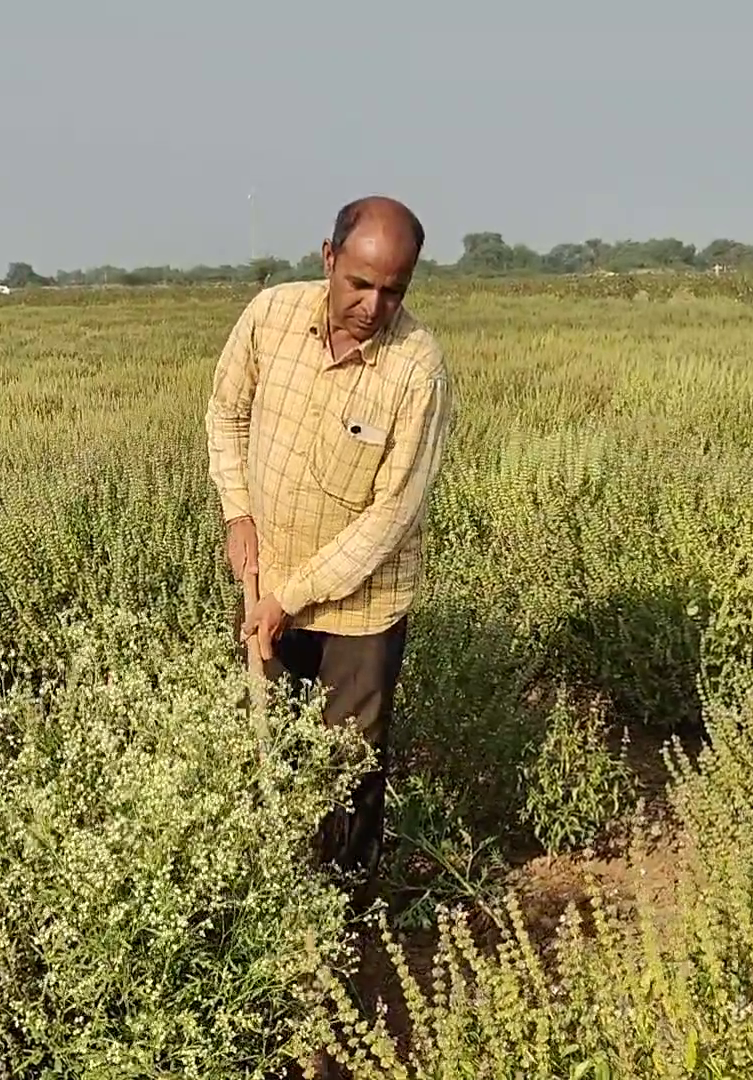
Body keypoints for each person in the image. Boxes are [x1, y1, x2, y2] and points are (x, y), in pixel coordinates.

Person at [203, 194, 453, 892]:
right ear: (328, 258)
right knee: (271, 741)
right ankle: (274, 888)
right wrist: (238, 514)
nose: (374, 306)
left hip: (359, 607)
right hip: (270, 579)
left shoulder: (417, 370)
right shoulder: (271, 316)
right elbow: (226, 415)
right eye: (360, 284)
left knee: (348, 766)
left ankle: (344, 913)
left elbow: (391, 515)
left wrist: (294, 593)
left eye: (394, 290)